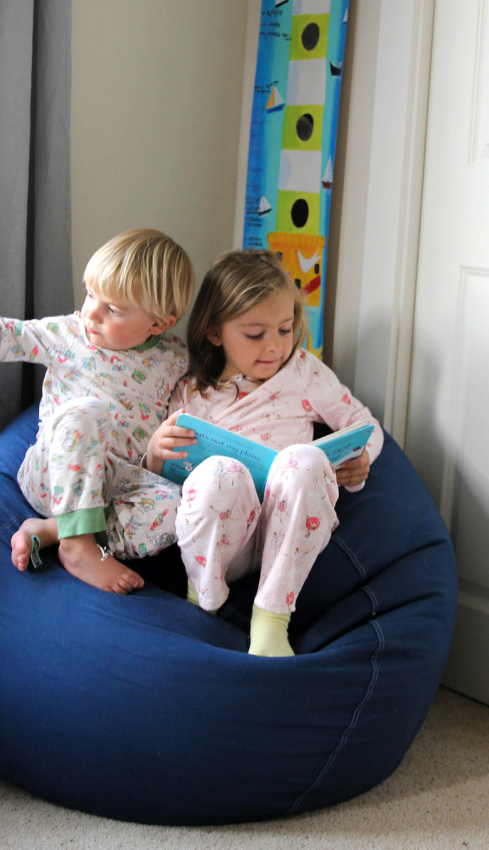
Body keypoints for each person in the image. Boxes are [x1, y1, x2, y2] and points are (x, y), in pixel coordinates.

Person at [0, 229, 195, 595]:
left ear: (159, 324)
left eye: (112, 309)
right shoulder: (68, 334)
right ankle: (78, 547)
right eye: (91, 294)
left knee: (180, 504)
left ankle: (51, 532)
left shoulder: (175, 358)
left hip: (117, 485)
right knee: (86, 413)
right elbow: (2, 334)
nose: (91, 313)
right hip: (54, 471)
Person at [144, 249, 383, 656]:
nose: (275, 347)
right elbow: (166, 478)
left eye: (286, 330)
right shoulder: (193, 392)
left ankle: (271, 619)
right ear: (215, 331)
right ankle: (203, 600)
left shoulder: (302, 371)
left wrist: (363, 459)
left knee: (304, 460)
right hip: (224, 542)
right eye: (255, 334)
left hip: (290, 530)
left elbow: (366, 426)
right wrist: (154, 453)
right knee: (220, 473)